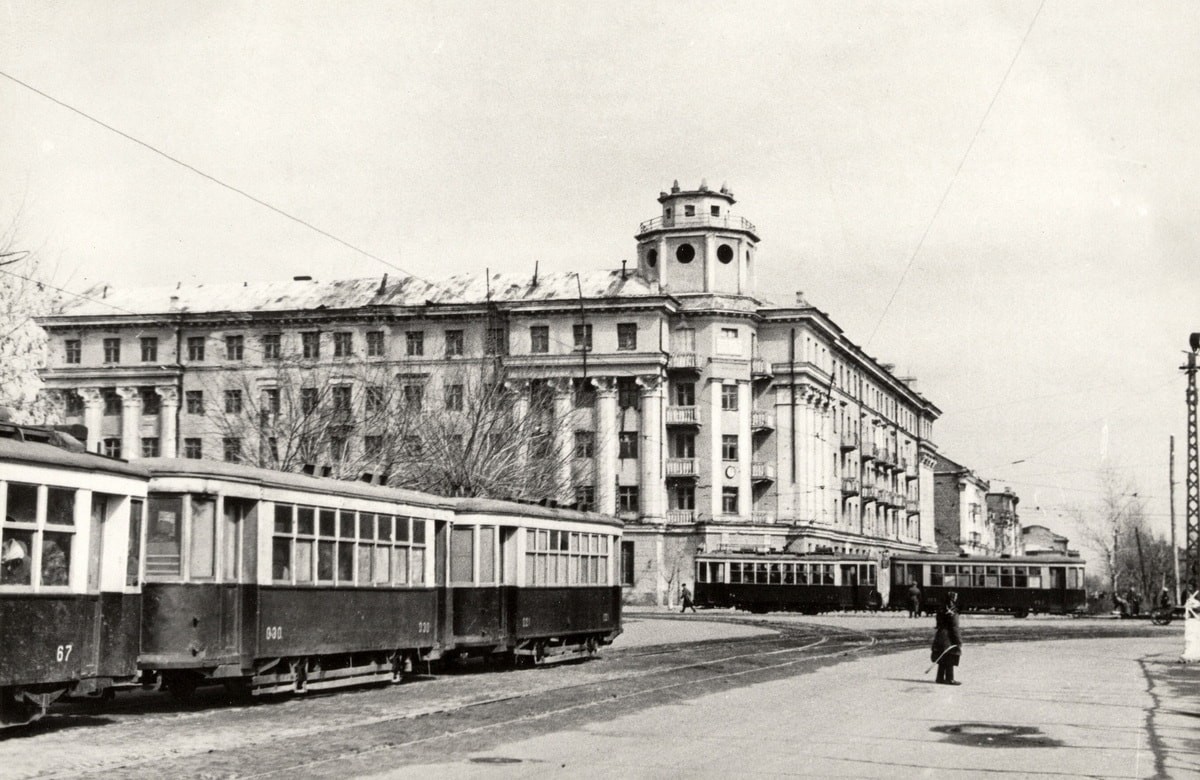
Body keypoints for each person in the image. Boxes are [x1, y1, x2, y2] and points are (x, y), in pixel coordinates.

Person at [931, 591, 962, 685]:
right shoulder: (953, 612)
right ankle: (950, 678)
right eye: (955, 597)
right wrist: (958, 640)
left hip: (940, 635)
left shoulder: (941, 609)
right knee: (950, 656)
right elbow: (954, 628)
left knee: (942, 656)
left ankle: (939, 678)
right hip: (949, 637)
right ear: (953, 599)